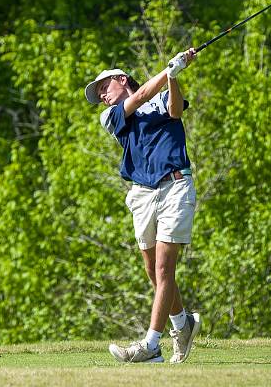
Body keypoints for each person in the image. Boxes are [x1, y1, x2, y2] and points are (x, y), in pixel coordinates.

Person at [84, 48, 200, 364]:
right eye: (99, 93)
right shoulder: (110, 115)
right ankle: (182, 324)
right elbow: (142, 95)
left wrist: (174, 76)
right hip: (142, 194)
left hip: (175, 185)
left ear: (122, 79)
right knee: (153, 270)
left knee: (164, 268)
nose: (102, 96)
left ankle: (151, 346)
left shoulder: (160, 99)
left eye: (104, 88)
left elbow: (175, 111)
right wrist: (169, 69)